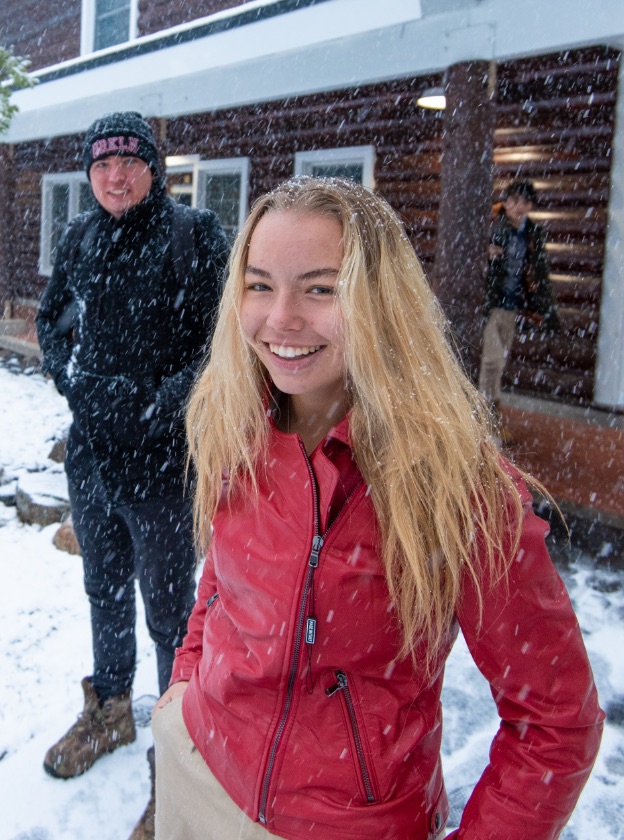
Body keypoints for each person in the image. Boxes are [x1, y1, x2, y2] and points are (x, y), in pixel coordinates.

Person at [154, 176, 603, 840]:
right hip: (199, 773)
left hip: (352, 825)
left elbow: (557, 721)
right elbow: (221, 581)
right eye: (259, 285)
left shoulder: (460, 486)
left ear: (380, 300)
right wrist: (185, 682)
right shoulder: (237, 422)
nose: (281, 318)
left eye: (320, 288)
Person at [35, 111, 229, 838]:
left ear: (154, 167)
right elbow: (53, 322)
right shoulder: (79, 238)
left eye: (129, 162)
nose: (114, 176)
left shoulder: (192, 235)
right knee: (104, 587)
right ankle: (111, 709)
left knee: (173, 616)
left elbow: (222, 344)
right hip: (91, 457)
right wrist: (72, 381)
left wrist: (155, 403)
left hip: (162, 463)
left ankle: (177, 763)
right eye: (101, 164)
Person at [477, 178, 560, 442]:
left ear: (531, 205)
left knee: (498, 363)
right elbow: (470, 257)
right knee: (491, 361)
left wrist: (544, 307)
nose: (519, 207)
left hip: (511, 307)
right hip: (490, 306)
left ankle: (491, 417)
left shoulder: (531, 233)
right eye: (514, 201)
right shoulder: (494, 226)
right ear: (506, 202)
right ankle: (485, 420)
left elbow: (539, 271)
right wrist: (485, 254)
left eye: (525, 202)